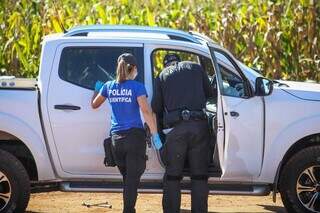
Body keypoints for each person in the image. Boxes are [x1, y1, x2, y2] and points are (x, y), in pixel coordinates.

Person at [91, 53, 162, 213]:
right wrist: (155, 134)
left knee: (128, 178)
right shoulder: (137, 87)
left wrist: (96, 89)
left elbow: (94, 105)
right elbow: (145, 111)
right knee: (132, 180)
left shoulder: (108, 86)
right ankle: (128, 210)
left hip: (116, 141)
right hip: (134, 139)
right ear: (134, 68)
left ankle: (129, 208)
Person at [152, 53, 214, 213]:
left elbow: (156, 107)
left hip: (176, 130)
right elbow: (211, 94)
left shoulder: (162, 75)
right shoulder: (196, 68)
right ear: (178, 60)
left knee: (173, 176)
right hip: (199, 128)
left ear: (166, 64)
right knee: (199, 176)